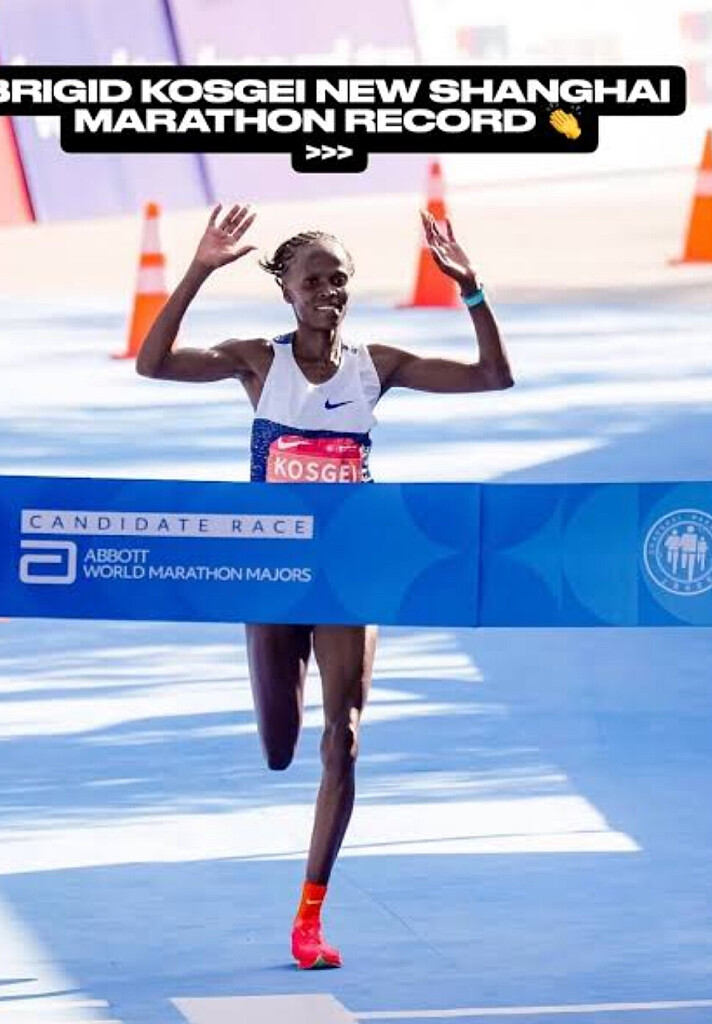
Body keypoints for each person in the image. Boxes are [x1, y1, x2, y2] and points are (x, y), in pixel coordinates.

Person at [136, 202, 513, 969]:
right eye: (312, 281)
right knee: (282, 748)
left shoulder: (377, 366)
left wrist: (470, 288)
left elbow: (492, 376)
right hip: (274, 574)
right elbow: (154, 363)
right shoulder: (257, 362)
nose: (327, 292)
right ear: (286, 290)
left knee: (343, 739)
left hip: (351, 569)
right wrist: (200, 269)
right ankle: (290, 680)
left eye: (338, 279)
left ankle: (309, 918)